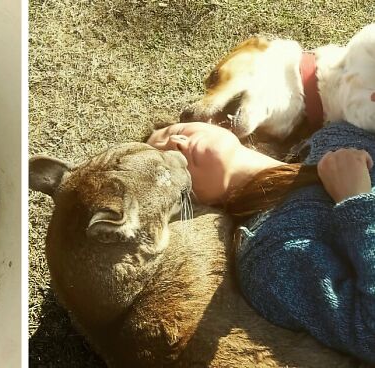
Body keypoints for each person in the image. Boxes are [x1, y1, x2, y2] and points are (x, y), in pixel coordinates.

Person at [147, 121, 375, 363]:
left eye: (176, 132)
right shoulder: (268, 256)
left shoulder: (335, 133)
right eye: (167, 160)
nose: (178, 144)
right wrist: (356, 202)